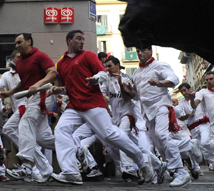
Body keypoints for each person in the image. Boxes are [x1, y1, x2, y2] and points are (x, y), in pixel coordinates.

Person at [48, 32, 159, 185]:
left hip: (92, 103)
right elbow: (71, 87)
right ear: (69, 41)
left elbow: (103, 74)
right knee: (61, 129)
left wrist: (96, 79)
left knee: (109, 135)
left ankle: (142, 161)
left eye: (83, 39)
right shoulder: (61, 64)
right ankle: (71, 172)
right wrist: (60, 90)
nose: (82, 42)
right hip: (74, 106)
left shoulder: (88, 55)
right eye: (78, 39)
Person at [127, 46, 192, 186]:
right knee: (159, 144)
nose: (140, 53)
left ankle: (181, 172)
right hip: (147, 112)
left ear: (150, 51)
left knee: (162, 135)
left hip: (161, 105)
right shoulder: (137, 73)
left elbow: (174, 79)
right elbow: (136, 96)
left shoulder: (160, 65)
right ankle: (188, 147)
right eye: (138, 51)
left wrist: (159, 83)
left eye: (143, 50)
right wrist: (127, 90)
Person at [0, 33, 57, 183]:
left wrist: (37, 85)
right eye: (15, 44)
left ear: (29, 42)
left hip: (43, 95)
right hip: (30, 98)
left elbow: (53, 72)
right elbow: (23, 83)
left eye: (19, 42)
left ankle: (27, 165)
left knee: (25, 123)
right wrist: (10, 92)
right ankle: (74, 148)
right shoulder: (21, 63)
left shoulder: (40, 56)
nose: (16, 46)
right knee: (43, 138)